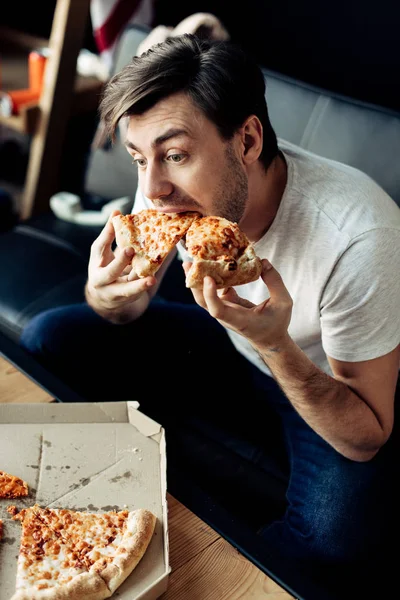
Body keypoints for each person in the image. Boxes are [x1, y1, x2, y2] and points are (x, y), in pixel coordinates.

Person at [20, 34, 400, 576]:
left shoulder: (360, 237)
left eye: (175, 155)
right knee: (47, 340)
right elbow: (131, 309)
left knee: (329, 547)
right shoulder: (163, 183)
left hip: (325, 387)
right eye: (137, 157)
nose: (152, 187)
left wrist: (274, 342)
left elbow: (367, 437)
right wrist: (103, 296)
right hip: (233, 349)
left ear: (246, 140)